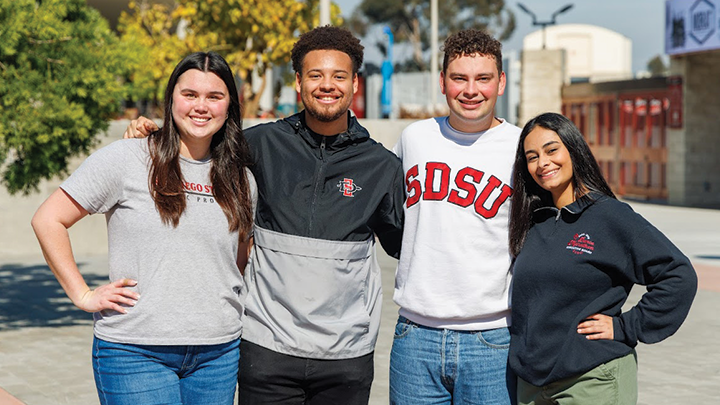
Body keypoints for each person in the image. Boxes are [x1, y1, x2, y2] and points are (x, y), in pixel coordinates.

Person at [124, 26, 404, 405]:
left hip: (346, 358)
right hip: (266, 350)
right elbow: (197, 149)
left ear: (355, 83)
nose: (327, 85)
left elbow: (407, 246)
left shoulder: (382, 166)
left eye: (339, 76)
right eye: (315, 75)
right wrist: (153, 135)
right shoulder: (257, 144)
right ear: (299, 82)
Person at [31, 51, 257, 405]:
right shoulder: (127, 158)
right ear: (170, 100)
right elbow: (48, 219)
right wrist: (83, 294)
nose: (201, 106)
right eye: (189, 95)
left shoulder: (241, 178)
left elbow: (239, 254)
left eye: (215, 96)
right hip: (135, 353)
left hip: (218, 353)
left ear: (230, 106)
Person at [508, 112, 697, 404]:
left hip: (592, 379)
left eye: (551, 149)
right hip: (533, 385)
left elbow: (678, 274)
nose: (542, 163)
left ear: (573, 148)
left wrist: (627, 326)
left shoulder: (609, 216)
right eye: (531, 157)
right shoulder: (533, 222)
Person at [390, 29, 520, 404]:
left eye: (483, 78)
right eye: (459, 78)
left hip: (493, 339)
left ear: (501, 83)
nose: (471, 90)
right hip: (415, 337)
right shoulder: (414, 138)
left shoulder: (522, 146)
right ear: (442, 82)